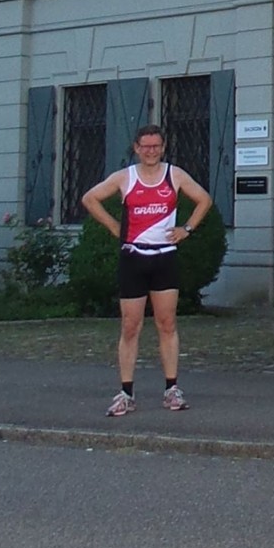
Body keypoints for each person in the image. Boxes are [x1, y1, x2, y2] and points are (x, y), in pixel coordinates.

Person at [82, 122, 213, 417]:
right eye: (145, 146)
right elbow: (90, 198)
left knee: (167, 324)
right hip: (133, 258)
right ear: (137, 148)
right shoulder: (125, 177)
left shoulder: (174, 175)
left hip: (164, 257)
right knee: (130, 326)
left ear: (163, 147)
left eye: (156, 146)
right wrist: (114, 226)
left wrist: (187, 228)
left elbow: (204, 199)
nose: (151, 151)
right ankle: (126, 392)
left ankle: (171, 388)